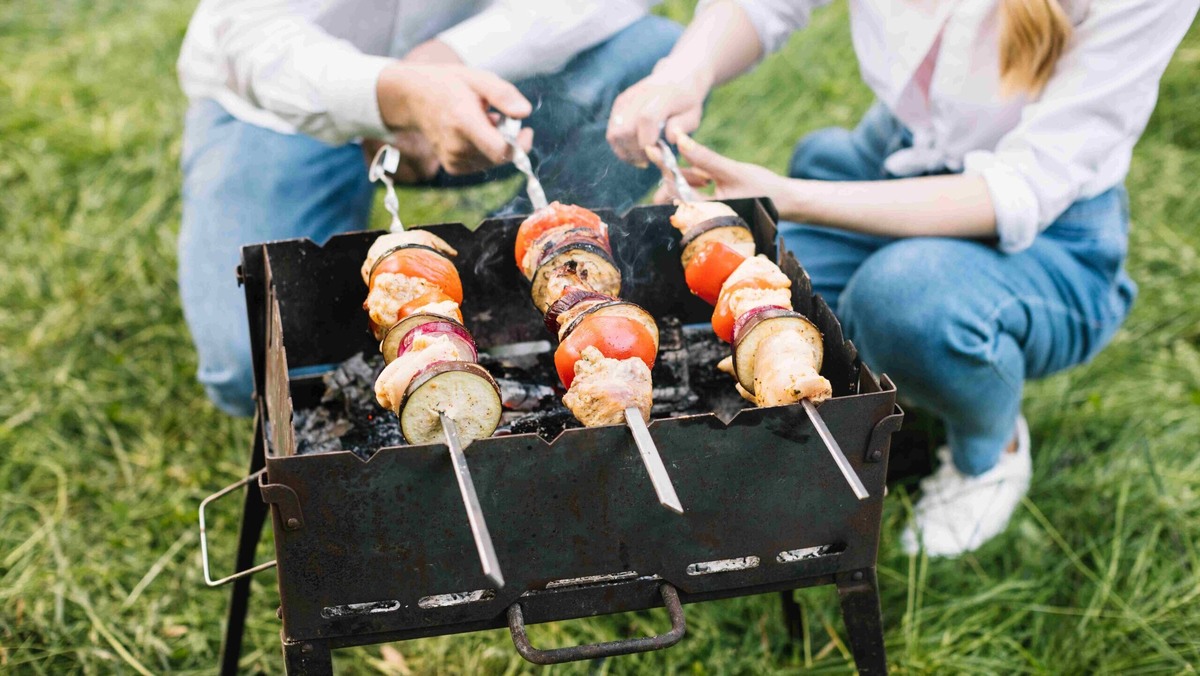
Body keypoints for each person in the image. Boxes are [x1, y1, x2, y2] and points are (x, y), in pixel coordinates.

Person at [608, 0, 1198, 557]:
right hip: (895, 156)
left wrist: (793, 196)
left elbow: (1022, 188)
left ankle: (990, 453)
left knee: (902, 303)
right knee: (786, 297)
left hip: (1052, 229)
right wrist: (684, 73)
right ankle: (903, 372)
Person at [177, 0, 681, 417]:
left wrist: (446, 57)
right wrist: (390, 94)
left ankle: (521, 269)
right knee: (249, 366)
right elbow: (243, 27)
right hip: (283, 101)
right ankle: (434, 324)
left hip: (496, 76)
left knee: (654, 63)